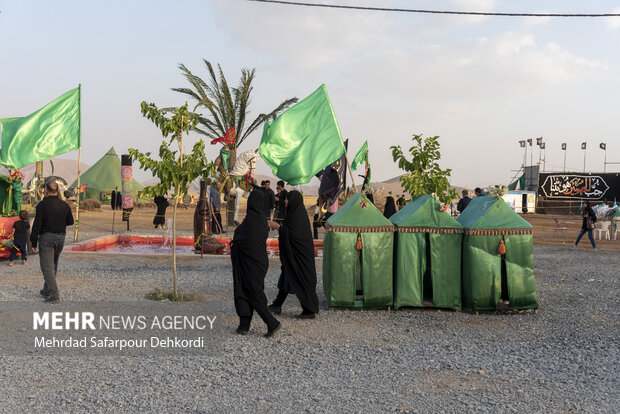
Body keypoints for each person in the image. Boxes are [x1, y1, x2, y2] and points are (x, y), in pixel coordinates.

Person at [230, 190, 281, 337]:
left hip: (250, 263)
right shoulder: (261, 220)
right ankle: (243, 325)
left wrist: (235, 242)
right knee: (247, 290)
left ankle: (272, 323)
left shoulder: (250, 221)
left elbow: (244, 239)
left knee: (252, 293)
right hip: (258, 263)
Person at [268, 191, 319, 318]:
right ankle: (277, 304)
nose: (285, 201)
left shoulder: (297, 217)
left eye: (287, 199)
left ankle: (309, 310)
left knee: (300, 278)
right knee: (288, 275)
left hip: (300, 257)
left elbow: (293, 235)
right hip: (294, 255)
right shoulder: (294, 214)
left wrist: (278, 227)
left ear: (293, 201)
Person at [30, 182, 75, 302]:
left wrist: (33, 242)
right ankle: (46, 290)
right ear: (58, 191)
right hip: (61, 238)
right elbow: (70, 221)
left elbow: (37, 225)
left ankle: (54, 295)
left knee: (47, 267)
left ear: (45, 191)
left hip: (47, 238)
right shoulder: (64, 205)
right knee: (53, 264)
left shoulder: (42, 205)